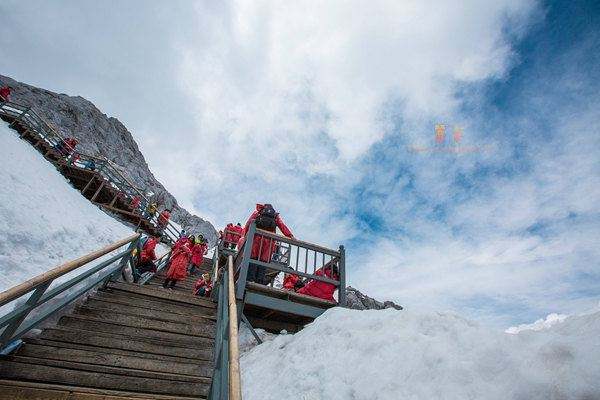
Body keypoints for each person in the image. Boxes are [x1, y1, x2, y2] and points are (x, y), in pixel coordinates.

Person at [238, 203, 294, 284]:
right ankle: (259, 282)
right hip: (269, 241)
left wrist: (246, 236)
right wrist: (290, 235)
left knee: (253, 259)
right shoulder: (275, 216)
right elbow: (282, 225)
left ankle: (249, 280)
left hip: (256, 239)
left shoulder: (258, 212)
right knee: (264, 260)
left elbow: (249, 223)